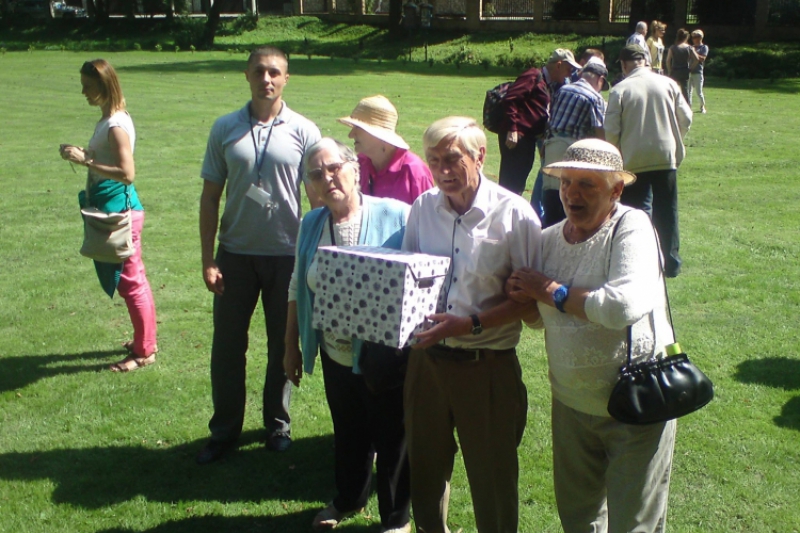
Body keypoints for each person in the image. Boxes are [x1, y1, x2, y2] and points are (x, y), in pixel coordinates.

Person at [506, 138, 677, 533]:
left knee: (634, 523)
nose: (571, 194)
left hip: (637, 402)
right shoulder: (548, 241)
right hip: (571, 404)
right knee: (579, 519)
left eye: (587, 184)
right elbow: (540, 322)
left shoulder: (631, 227)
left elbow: (621, 307)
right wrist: (524, 296)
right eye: (566, 182)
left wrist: (549, 290)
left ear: (617, 190)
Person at [402, 116, 542, 533]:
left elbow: (531, 301)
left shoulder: (514, 215)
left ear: (480, 156)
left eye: (452, 160)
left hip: (487, 366)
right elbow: (407, 276)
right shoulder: (423, 208)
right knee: (425, 470)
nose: (442, 171)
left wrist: (468, 325)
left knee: (493, 479)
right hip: (426, 363)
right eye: (433, 160)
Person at [196, 45, 321, 464]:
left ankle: (278, 425)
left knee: (281, 344)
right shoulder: (225, 128)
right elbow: (210, 197)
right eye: (259, 72)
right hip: (234, 255)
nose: (266, 79)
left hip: (287, 256)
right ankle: (224, 431)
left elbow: (319, 198)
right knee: (228, 347)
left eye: (274, 72)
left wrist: (316, 256)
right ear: (246, 76)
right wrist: (207, 258)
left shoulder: (305, 130)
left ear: (286, 79)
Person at [283, 138, 411, 533]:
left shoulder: (396, 215)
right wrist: (291, 346)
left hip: (383, 354)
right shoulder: (311, 224)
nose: (328, 178)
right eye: (317, 174)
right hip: (333, 352)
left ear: (355, 169)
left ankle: (396, 518)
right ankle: (348, 498)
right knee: (349, 430)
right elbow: (295, 286)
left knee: (392, 435)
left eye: (335, 167)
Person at [59, 59, 158, 372]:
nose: (84, 93)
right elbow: (106, 159)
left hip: (121, 213)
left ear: (104, 86)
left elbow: (127, 174)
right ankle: (145, 339)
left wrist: (87, 163)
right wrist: (84, 154)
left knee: (131, 283)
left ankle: (144, 351)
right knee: (131, 280)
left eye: (89, 87)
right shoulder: (110, 119)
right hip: (112, 209)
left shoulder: (116, 124)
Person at [605, 44, 693, 278]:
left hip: (633, 160)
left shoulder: (619, 90)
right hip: (666, 156)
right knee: (668, 210)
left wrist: (615, 157)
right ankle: (671, 262)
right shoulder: (669, 84)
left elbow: (611, 131)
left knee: (637, 211)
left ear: (624, 65)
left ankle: (639, 258)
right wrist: (675, 139)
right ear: (645, 60)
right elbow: (687, 118)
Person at [540, 58, 608, 228]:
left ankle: (545, 244)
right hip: (572, 151)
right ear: (600, 80)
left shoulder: (562, 90)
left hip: (551, 146)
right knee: (569, 202)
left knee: (550, 200)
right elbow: (599, 131)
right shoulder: (595, 97)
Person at [338, 95, 433, 205]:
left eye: (358, 128)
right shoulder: (359, 164)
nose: (351, 135)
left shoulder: (413, 171)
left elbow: (428, 217)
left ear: (378, 134)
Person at [495, 57, 551, 196]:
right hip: (517, 136)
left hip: (527, 137)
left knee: (517, 181)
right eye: (568, 69)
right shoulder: (533, 75)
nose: (569, 73)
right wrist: (513, 128)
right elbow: (511, 98)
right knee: (511, 182)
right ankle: (504, 214)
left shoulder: (546, 81)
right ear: (559, 65)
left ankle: (508, 213)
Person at [666, 29, 698, 101]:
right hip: (684, 70)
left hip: (675, 70)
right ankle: (687, 107)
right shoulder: (689, 48)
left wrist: (669, 70)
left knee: (673, 89)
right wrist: (690, 68)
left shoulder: (673, 47)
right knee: (685, 91)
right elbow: (696, 59)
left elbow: (668, 60)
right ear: (686, 37)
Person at [689, 29, 709, 113]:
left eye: (696, 37)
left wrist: (694, 53)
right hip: (689, 71)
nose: (694, 39)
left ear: (701, 37)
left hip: (698, 72)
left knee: (699, 92)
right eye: (693, 37)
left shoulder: (704, 47)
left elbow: (702, 58)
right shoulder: (691, 47)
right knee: (688, 92)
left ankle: (702, 106)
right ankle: (688, 107)